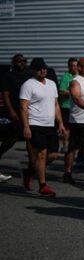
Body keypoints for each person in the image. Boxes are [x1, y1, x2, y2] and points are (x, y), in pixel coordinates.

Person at [19, 58, 65, 197]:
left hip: (50, 125)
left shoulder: (51, 84)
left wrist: (61, 123)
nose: (43, 70)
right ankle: (43, 186)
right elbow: (23, 108)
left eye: (44, 67)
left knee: (53, 155)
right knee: (41, 154)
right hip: (35, 124)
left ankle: (30, 172)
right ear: (33, 70)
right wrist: (26, 127)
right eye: (39, 68)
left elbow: (56, 105)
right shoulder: (28, 85)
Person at [0, 54, 33, 183]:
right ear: (14, 63)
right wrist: (11, 110)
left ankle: (31, 167)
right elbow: (6, 95)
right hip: (15, 112)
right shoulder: (8, 76)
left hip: (29, 112)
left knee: (30, 140)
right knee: (11, 139)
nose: (22, 63)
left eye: (24, 61)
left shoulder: (29, 74)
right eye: (19, 61)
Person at [58, 58, 78, 152]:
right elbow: (61, 91)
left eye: (76, 65)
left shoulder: (80, 76)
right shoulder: (66, 77)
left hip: (78, 106)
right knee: (67, 128)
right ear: (69, 67)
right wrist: (73, 93)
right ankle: (65, 145)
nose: (74, 67)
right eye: (72, 65)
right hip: (67, 106)